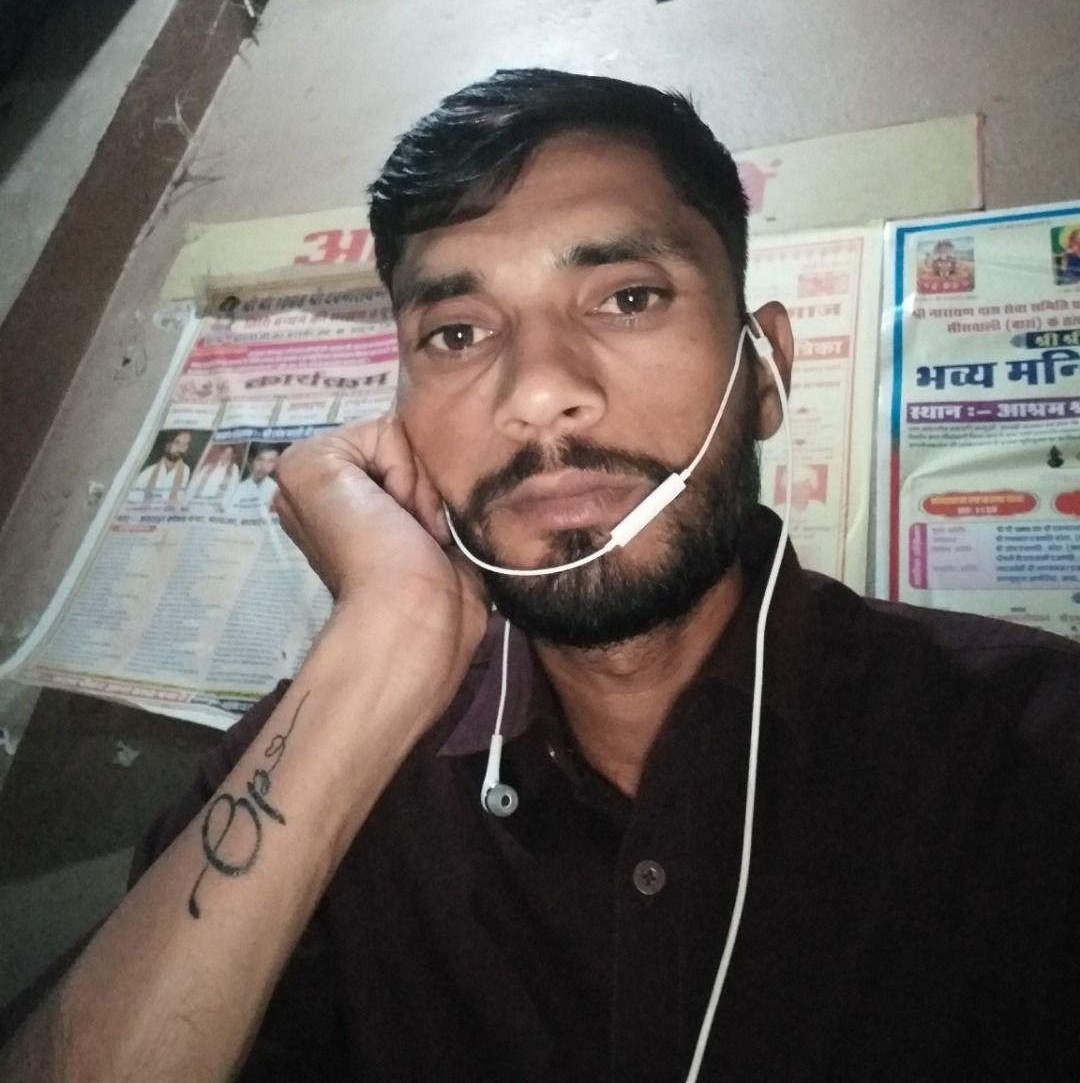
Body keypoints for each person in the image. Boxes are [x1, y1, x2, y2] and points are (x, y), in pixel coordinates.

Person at [5, 71, 1080, 1083]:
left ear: (765, 374)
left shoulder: (1030, 744)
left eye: (628, 297)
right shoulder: (315, 755)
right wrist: (384, 639)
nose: (539, 392)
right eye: (458, 332)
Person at [130, 429, 193, 502]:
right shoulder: (147, 472)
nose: (180, 448)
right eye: (177, 442)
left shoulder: (186, 470)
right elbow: (132, 499)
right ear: (167, 443)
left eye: (185, 444)